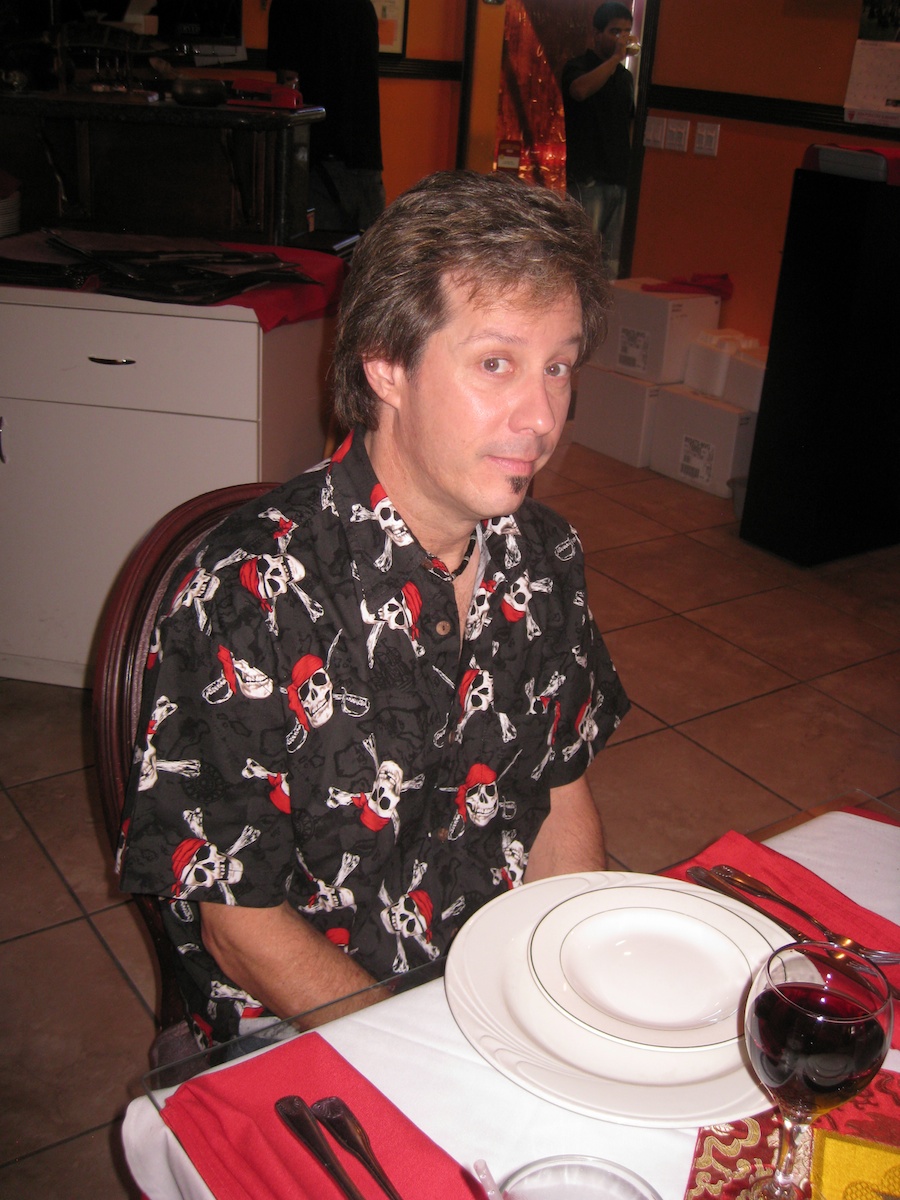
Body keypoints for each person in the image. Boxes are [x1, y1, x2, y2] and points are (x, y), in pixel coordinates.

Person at [117, 170, 630, 1047]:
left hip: (490, 990)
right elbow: (240, 926)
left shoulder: (545, 557)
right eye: (496, 364)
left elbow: (560, 793)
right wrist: (428, 1058)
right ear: (386, 365)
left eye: (558, 367)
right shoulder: (248, 594)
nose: (542, 416)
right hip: (310, 1031)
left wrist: (562, 993)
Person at [266, 0, 385, 232]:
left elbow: (289, 86)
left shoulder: (288, 6)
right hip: (364, 152)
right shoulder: (362, 6)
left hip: (315, 155)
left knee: (316, 246)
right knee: (371, 248)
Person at [561, 2, 636, 276]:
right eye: (615, 31)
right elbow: (579, 91)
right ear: (596, 34)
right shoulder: (578, 66)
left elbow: (629, 123)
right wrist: (615, 58)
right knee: (581, 260)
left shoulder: (624, 78)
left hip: (619, 180)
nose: (621, 38)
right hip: (588, 180)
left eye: (626, 31)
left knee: (611, 265)